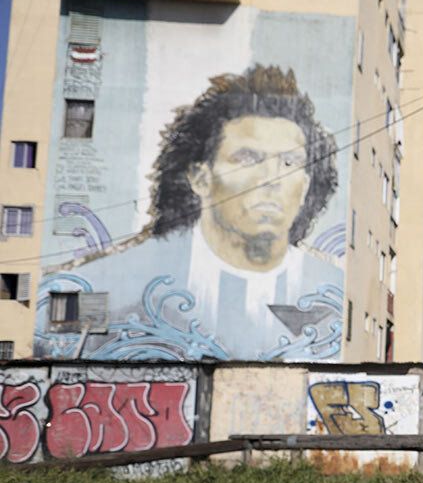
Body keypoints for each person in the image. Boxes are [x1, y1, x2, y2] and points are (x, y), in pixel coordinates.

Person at [37, 65, 344, 361]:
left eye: (290, 162)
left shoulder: (338, 294)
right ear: (200, 177)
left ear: (304, 186)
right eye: (248, 158)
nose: (271, 179)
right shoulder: (111, 286)